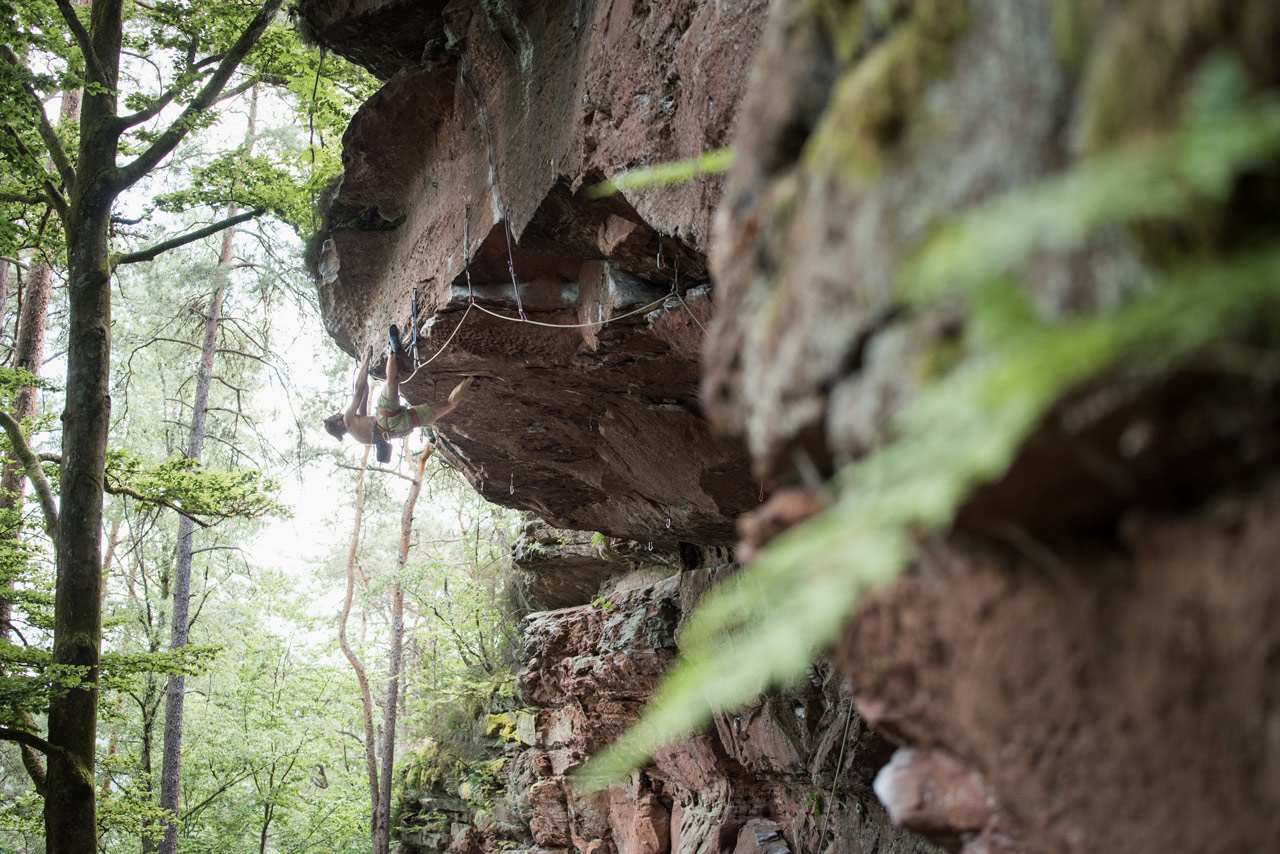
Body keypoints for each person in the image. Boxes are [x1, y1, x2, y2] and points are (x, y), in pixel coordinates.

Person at [323, 325, 473, 461]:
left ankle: (471, 378)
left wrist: (365, 375)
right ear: (338, 423)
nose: (338, 413)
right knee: (391, 381)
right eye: (335, 416)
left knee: (449, 404)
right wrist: (365, 361)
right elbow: (359, 389)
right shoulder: (348, 419)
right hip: (385, 419)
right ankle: (392, 350)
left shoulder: (358, 435)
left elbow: (365, 393)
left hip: (401, 427)